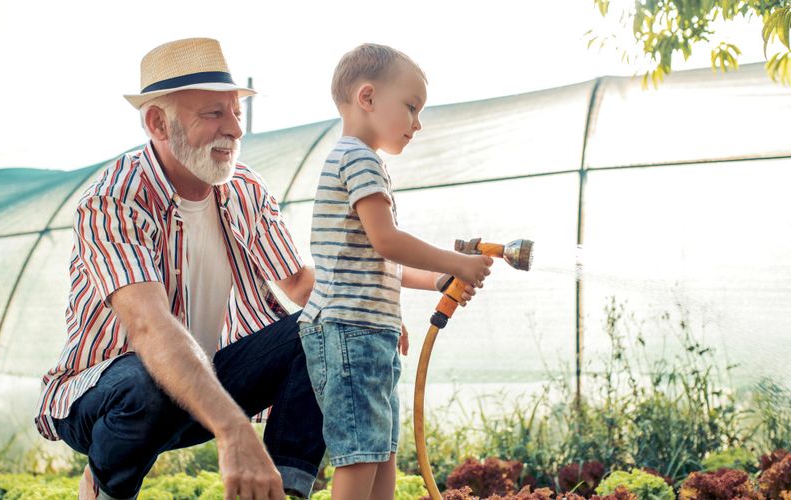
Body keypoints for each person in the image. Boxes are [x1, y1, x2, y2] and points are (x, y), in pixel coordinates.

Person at [34, 37, 325, 500]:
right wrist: (235, 433)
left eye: (236, 112)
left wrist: (364, 311)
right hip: (104, 397)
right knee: (146, 382)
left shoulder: (245, 189)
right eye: (213, 113)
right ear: (157, 123)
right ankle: (105, 489)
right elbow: (149, 328)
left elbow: (299, 283)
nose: (234, 130)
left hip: (203, 386)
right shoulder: (114, 199)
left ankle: (283, 491)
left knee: (327, 327)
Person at [297, 43, 494, 500]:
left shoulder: (360, 160)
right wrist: (455, 261)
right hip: (350, 332)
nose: (417, 123)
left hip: (368, 332)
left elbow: (380, 259)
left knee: (382, 452)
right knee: (362, 454)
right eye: (411, 107)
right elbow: (387, 241)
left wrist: (438, 280)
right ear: (367, 98)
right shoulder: (358, 158)